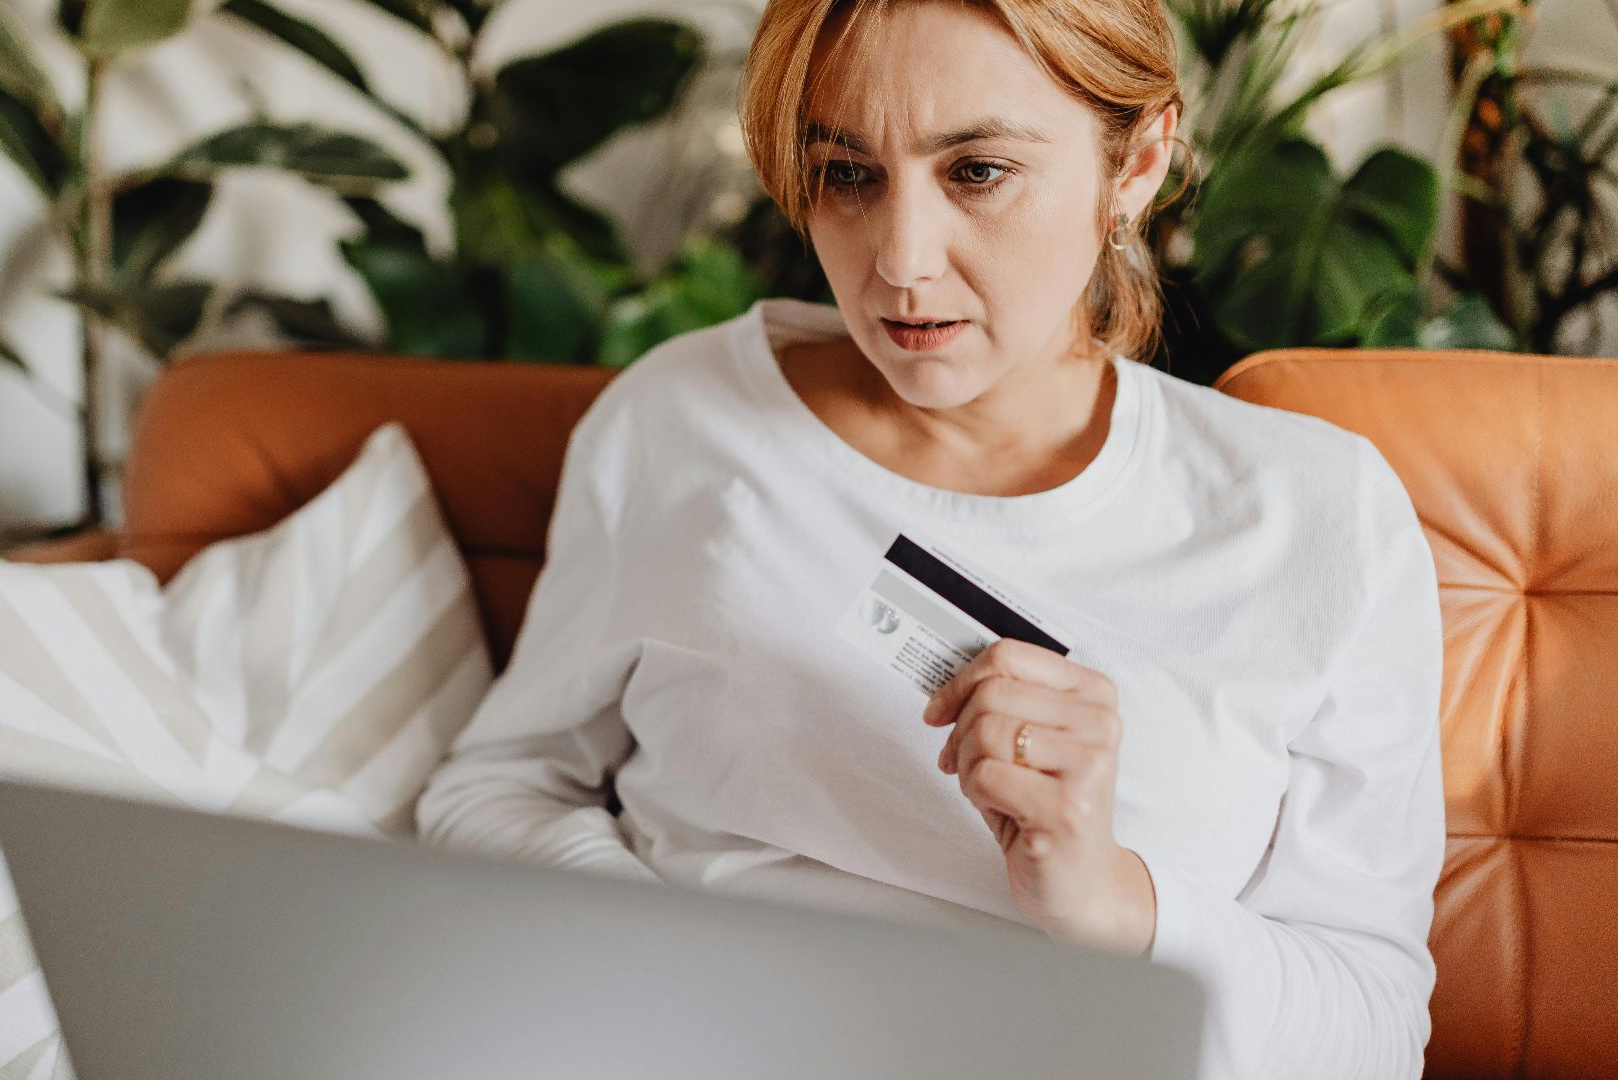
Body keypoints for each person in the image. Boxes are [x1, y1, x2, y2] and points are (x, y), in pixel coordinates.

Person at [415, 2, 1447, 1078]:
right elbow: (497, 790)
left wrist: (1104, 895)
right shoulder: (682, 422)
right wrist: (675, 968)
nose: (900, 263)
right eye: (848, 174)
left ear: (1135, 164)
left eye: (978, 172)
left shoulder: (1319, 519)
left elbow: (1371, 1037)